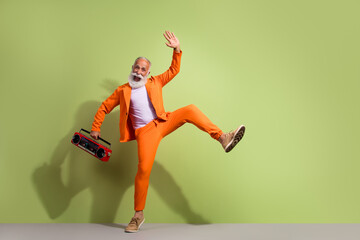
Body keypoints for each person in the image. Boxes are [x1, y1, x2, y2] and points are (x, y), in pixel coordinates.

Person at [90, 31, 245, 233]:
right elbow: (104, 107)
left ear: (147, 72)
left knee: (190, 109)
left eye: (143, 69)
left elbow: (174, 69)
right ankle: (138, 215)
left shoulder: (156, 81)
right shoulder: (122, 91)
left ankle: (223, 137)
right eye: (136, 67)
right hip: (145, 133)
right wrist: (95, 128)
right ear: (132, 68)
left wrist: (177, 49)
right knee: (143, 170)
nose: (139, 70)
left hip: (162, 121)